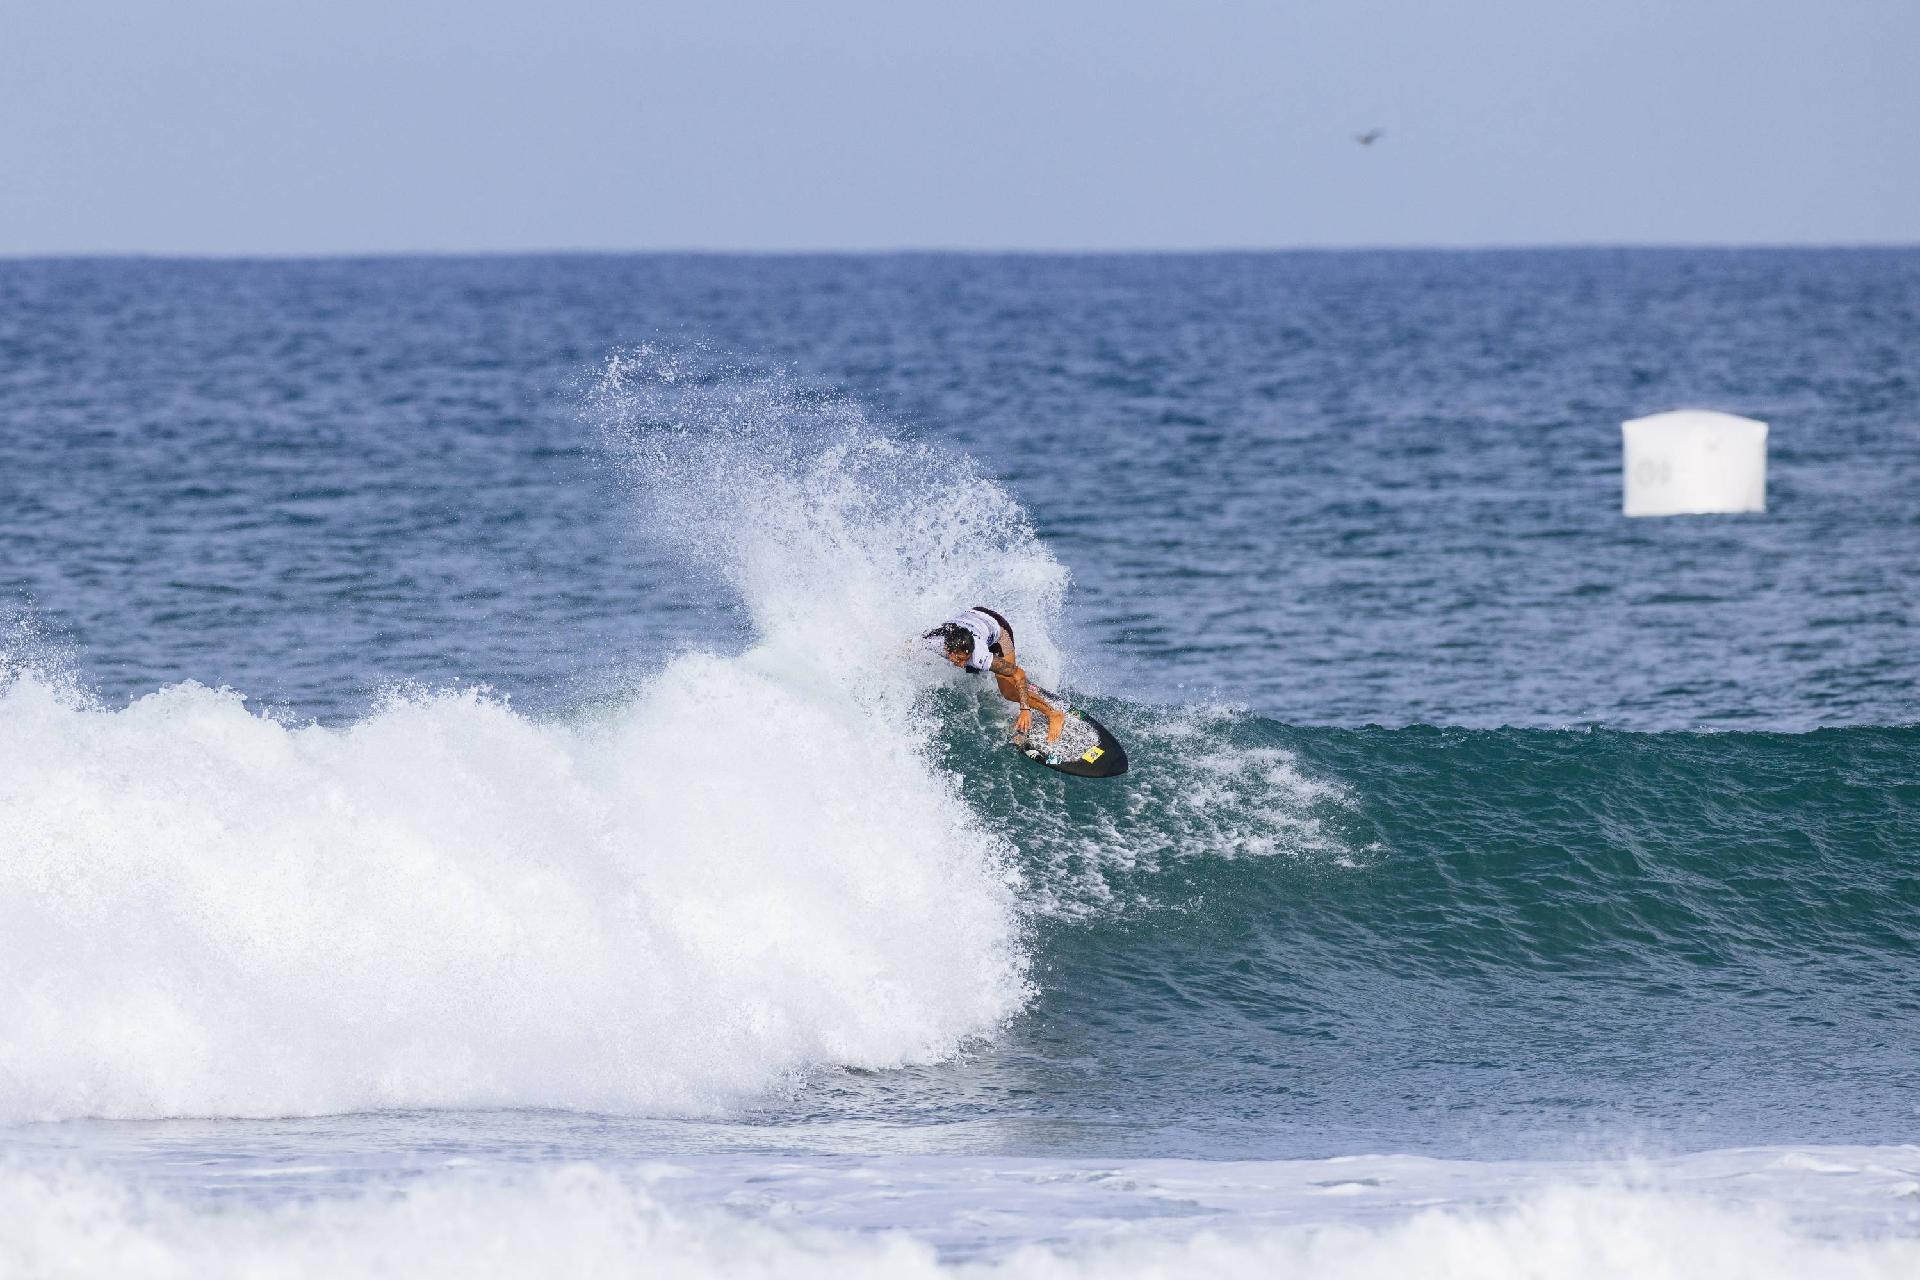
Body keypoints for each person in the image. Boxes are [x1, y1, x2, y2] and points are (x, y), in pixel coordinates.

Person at [924, 606, 1067, 752]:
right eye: (959, 659)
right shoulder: (933, 641)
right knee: (972, 668)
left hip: (998, 629)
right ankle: (1022, 687)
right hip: (974, 620)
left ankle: (1054, 714)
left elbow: (1019, 673)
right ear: (948, 650)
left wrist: (1025, 708)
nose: (961, 664)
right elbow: (908, 646)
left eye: (964, 659)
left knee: (1008, 691)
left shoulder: (979, 656)